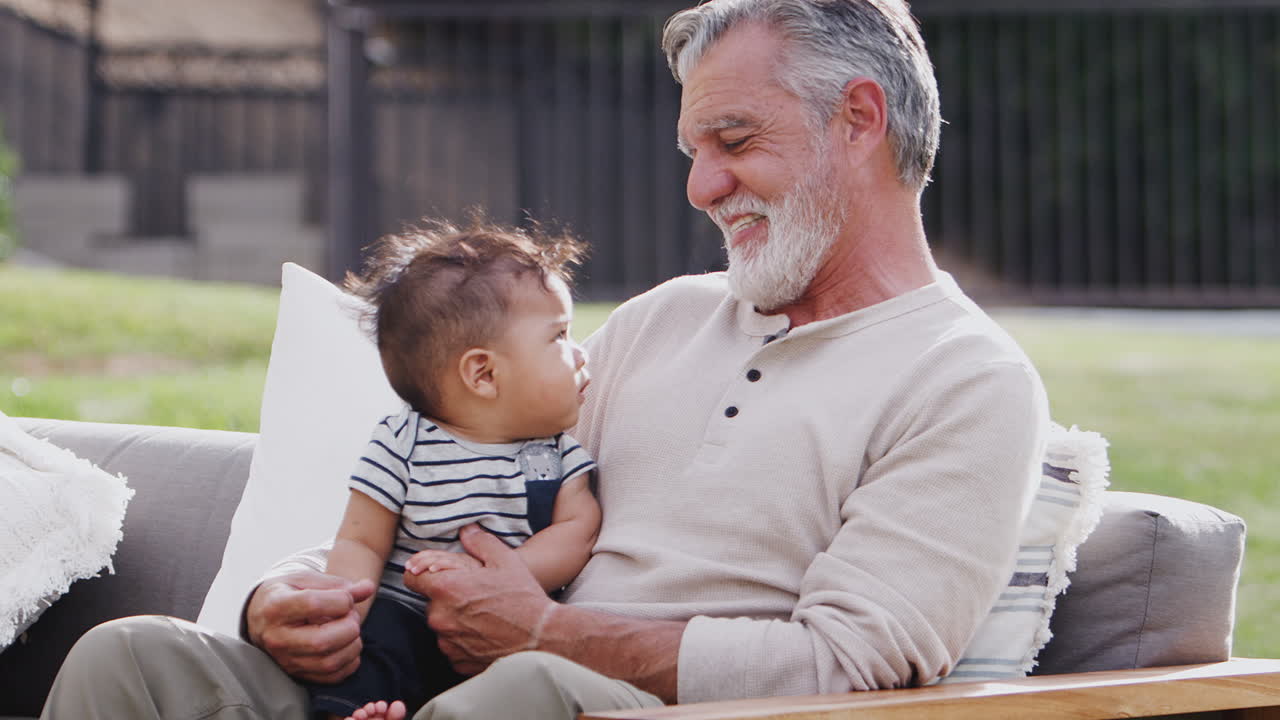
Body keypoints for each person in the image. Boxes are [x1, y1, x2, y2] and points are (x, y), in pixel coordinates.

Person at [39, 1, 1049, 719]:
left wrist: (546, 637)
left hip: (643, 708)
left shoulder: (963, 382)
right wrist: (293, 598)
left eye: (733, 139)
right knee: (133, 663)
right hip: (449, 681)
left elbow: (850, 669)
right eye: (691, 150)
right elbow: (458, 473)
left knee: (519, 696)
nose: (702, 186)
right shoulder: (664, 320)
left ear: (859, 119)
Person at [305, 220, 601, 720]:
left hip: (504, 630)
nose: (581, 353)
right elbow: (361, 540)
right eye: (560, 335)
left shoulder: (554, 452)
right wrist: (345, 611)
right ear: (484, 374)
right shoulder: (402, 442)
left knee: (527, 674)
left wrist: (499, 577)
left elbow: (577, 530)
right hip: (408, 614)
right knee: (376, 638)